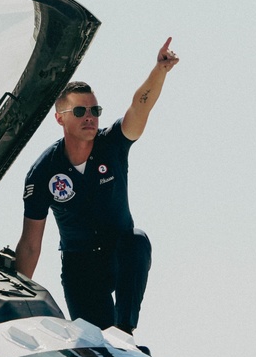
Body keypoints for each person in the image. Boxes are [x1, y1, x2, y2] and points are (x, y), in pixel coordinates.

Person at [15, 38, 179, 335]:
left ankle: (125, 330)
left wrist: (160, 70)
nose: (89, 117)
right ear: (59, 119)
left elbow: (139, 107)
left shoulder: (112, 145)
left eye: (94, 110)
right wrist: (14, 304)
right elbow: (29, 244)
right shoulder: (42, 173)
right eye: (79, 112)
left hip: (119, 255)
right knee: (94, 345)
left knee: (137, 241)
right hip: (81, 267)